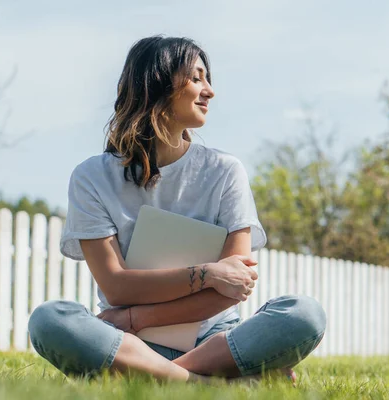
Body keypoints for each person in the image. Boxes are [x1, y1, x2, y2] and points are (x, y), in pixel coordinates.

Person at [28, 35, 326, 384]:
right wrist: (208, 273)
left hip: (211, 340)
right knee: (49, 320)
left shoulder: (225, 172)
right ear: (157, 84)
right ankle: (210, 383)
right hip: (128, 342)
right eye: (197, 78)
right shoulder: (91, 177)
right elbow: (117, 287)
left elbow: (233, 288)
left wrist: (136, 319)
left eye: (208, 78)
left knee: (305, 314)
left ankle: (152, 375)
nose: (210, 91)